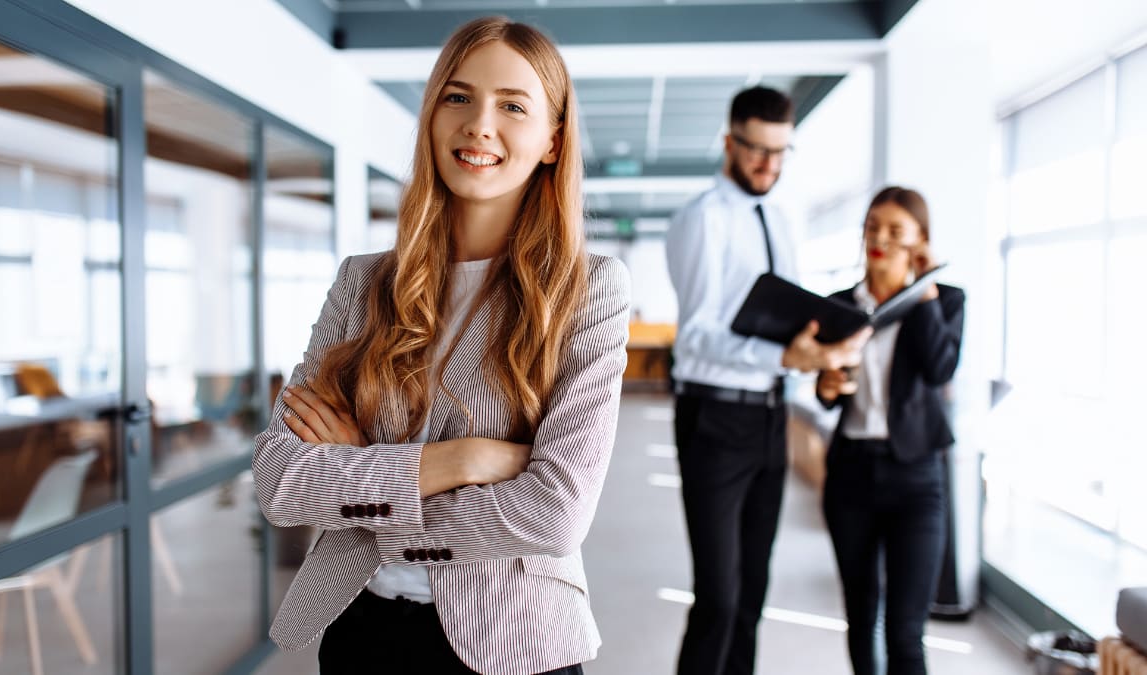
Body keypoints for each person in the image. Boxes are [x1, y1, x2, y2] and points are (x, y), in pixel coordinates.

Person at [252, 16, 630, 675]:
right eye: (458, 97)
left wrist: (364, 489)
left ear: (552, 140)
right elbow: (280, 479)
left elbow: (554, 513)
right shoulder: (361, 281)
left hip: (516, 641)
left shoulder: (589, 289)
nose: (480, 124)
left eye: (513, 105)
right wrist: (464, 458)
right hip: (363, 630)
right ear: (430, 117)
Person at [664, 86, 871, 675]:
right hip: (714, 418)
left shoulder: (781, 216)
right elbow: (696, 337)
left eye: (780, 153)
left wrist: (819, 353)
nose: (768, 165)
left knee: (752, 594)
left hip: (770, 415)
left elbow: (785, 323)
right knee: (719, 597)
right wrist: (786, 359)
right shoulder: (703, 218)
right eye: (756, 150)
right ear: (730, 142)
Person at [816, 186, 965, 675]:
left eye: (895, 231)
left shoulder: (945, 301)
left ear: (921, 240)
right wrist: (829, 381)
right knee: (861, 617)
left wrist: (922, 291)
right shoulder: (839, 305)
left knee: (906, 630)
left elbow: (940, 369)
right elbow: (825, 395)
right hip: (851, 474)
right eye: (873, 226)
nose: (879, 238)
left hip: (916, 477)